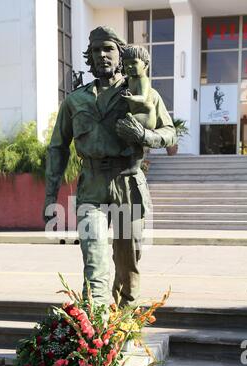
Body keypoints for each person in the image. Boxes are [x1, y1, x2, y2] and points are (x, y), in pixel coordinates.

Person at [43, 26, 176, 309]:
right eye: (96, 50)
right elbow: (57, 147)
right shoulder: (75, 100)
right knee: (95, 257)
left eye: (108, 49)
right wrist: (50, 196)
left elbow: (170, 133)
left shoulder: (143, 92)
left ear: (120, 53)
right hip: (92, 184)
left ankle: (125, 321)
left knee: (128, 261)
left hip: (129, 182)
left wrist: (144, 136)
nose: (102, 55)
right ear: (89, 57)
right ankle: (96, 327)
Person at [121, 45, 157, 131]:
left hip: (147, 116)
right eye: (126, 64)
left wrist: (132, 98)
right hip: (137, 114)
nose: (129, 66)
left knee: (124, 124)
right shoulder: (130, 79)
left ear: (146, 65)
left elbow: (143, 98)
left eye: (134, 63)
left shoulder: (142, 80)